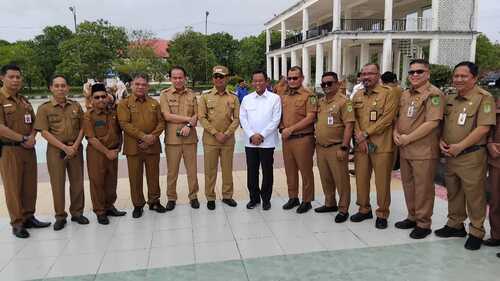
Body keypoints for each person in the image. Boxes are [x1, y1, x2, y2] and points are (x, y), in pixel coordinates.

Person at [435, 61, 496, 250]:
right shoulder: (450, 98)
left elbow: (484, 128)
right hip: (451, 155)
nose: (458, 79)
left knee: (474, 195)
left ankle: (476, 231)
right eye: (456, 76)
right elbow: (444, 125)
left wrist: (460, 146)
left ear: (474, 78)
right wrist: (440, 142)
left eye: (464, 76)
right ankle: (455, 224)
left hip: (471, 156)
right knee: (453, 191)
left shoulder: (484, 98)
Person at [393, 59, 444, 239]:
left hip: (423, 150)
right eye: (412, 72)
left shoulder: (434, 94)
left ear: (427, 74)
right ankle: (412, 216)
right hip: (405, 149)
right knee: (408, 185)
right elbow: (398, 117)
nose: (414, 75)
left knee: (423, 188)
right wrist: (395, 132)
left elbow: (432, 123)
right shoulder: (406, 94)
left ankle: (423, 223)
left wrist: (408, 138)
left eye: (419, 72)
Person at [0, 64, 50, 238]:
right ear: (2, 78)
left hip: (28, 150)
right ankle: (17, 223)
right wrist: (22, 139)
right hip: (10, 150)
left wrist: (31, 137)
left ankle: (29, 216)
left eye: (18, 77)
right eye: (11, 77)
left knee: (30, 185)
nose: (15, 80)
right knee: (13, 187)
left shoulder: (24, 100)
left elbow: (35, 123)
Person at [35, 75, 88, 231]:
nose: (60, 89)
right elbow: (44, 132)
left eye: (63, 86)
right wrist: (64, 148)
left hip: (75, 148)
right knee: (57, 184)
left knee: (77, 182)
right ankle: (60, 216)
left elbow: (83, 127)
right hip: (56, 151)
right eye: (56, 86)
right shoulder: (44, 108)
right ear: (51, 88)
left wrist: (75, 145)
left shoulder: (76, 106)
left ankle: (77, 213)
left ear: (68, 88)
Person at [351, 63, 398, 229]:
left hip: (381, 145)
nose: (366, 77)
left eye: (370, 73)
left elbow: (387, 119)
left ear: (378, 75)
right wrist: (359, 136)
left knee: (382, 182)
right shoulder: (357, 95)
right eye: (363, 74)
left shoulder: (389, 93)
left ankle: (382, 213)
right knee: (361, 179)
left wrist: (365, 134)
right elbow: (353, 118)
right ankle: (364, 209)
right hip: (361, 146)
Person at [117, 73, 166, 218]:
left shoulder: (154, 103)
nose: (140, 87)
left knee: (153, 175)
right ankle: (138, 205)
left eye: (143, 85)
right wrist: (143, 136)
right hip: (134, 147)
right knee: (135, 177)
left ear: (147, 87)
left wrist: (152, 137)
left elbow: (161, 122)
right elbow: (124, 124)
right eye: (137, 84)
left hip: (152, 146)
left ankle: (154, 201)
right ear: (131, 86)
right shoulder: (124, 104)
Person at [83, 83, 126, 225]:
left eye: (103, 96)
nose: (101, 99)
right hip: (97, 154)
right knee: (98, 182)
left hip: (113, 153)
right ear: (91, 100)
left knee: (111, 181)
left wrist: (118, 149)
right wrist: (107, 152)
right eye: (97, 97)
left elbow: (119, 132)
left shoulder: (113, 113)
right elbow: (91, 138)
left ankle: (109, 206)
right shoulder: (88, 116)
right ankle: (100, 211)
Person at [314, 72, 354, 223]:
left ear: (337, 83)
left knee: (341, 180)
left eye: (329, 83)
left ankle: (343, 209)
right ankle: (330, 203)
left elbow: (349, 125)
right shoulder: (321, 101)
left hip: (336, 147)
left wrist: (344, 147)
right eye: (323, 84)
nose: (326, 86)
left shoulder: (345, 102)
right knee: (326, 178)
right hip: (321, 147)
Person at [198, 66, 240, 210]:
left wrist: (227, 134)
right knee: (210, 170)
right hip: (210, 140)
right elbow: (201, 118)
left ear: (227, 78)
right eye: (215, 76)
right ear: (212, 79)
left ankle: (227, 196)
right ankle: (210, 197)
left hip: (228, 140)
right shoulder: (205, 96)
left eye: (221, 77)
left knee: (227, 169)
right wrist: (216, 133)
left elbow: (237, 118)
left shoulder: (233, 97)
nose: (218, 79)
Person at [240, 70, 281, 210]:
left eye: (260, 80)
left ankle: (266, 199)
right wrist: (252, 135)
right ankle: (254, 198)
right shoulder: (247, 99)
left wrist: (261, 135)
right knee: (252, 171)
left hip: (267, 142)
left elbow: (276, 120)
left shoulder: (275, 98)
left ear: (266, 81)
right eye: (255, 81)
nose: (258, 83)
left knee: (267, 171)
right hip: (250, 142)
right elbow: (243, 119)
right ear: (252, 82)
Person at [160, 66, 200, 211]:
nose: (178, 80)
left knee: (192, 170)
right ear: (170, 78)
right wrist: (188, 119)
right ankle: (171, 198)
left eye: (180, 77)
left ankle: (193, 196)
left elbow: (198, 115)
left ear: (185, 78)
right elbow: (167, 116)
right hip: (172, 140)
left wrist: (189, 125)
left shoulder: (192, 94)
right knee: (172, 171)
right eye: (174, 77)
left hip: (190, 139)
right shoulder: (164, 94)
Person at [280, 66, 318, 214]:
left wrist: (291, 129)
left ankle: (307, 200)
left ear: (302, 78)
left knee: (305, 171)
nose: (292, 81)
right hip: (287, 139)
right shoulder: (284, 95)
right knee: (290, 171)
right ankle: (293, 197)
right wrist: (283, 128)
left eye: (295, 78)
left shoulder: (309, 95)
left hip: (303, 138)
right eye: (289, 78)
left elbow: (311, 117)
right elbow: (281, 115)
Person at [484, 96, 500, 256]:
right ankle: (496, 235)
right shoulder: (494, 106)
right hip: (496, 160)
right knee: (495, 200)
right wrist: (489, 144)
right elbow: (489, 128)